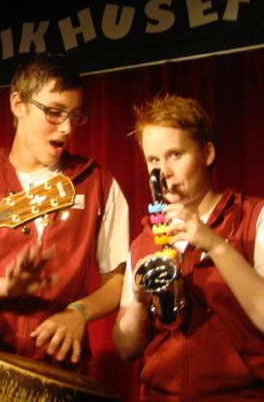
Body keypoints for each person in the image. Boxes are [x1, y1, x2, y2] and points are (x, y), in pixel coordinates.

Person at [0, 53, 130, 399]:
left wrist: (79, 312)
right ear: (18, 104)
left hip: (59, 379)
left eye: (75, 116)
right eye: (54, 112)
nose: (67, 128)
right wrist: (1, 286)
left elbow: (116, 282)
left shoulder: (99, 184)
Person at [112, 94, 264, 401]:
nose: (163, 172)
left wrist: (214, 245)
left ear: (207, 154)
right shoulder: (144, 241)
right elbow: (126, 348)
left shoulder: (253, 217)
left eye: (175, 155)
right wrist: (139, 301)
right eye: (154, 160)